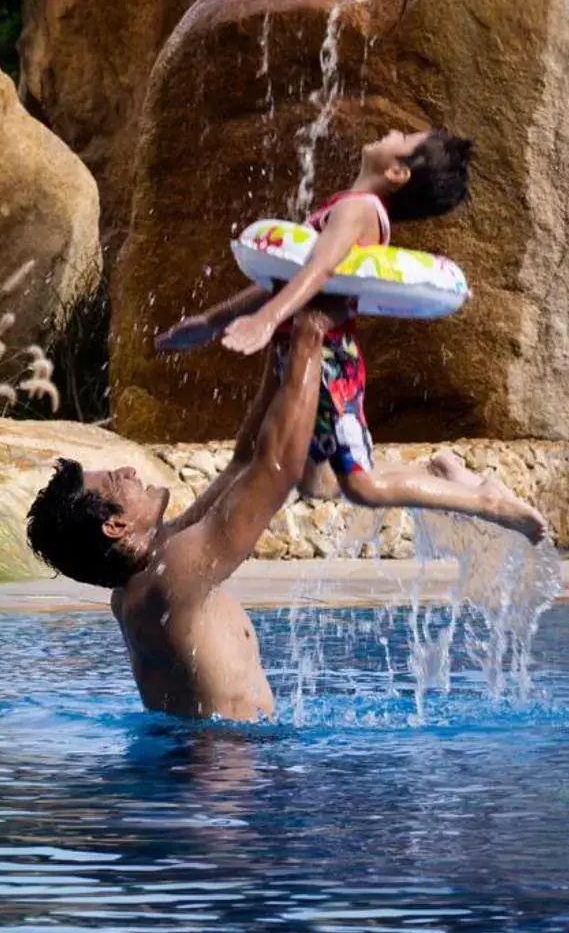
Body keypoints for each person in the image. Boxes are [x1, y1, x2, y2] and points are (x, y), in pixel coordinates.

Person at [155, 127, 545, 544]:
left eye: (404, 136)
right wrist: (210, 322)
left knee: (362, 485)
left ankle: (487, 500)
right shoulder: (347, 206)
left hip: (327, 361)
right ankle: (171, 537)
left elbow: (320, 268)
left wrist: (267, 319)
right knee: (287, 472)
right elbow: (284, 278)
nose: (392, 130)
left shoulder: (359, 209)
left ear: (397, 172)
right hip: (296, 350)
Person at [27, 306, 340, 721]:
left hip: (203, 767)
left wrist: (279, 347)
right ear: (116, 526)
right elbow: (277, 466)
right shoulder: (171, 576)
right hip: (227, 775)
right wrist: (310, 338)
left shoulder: (144, 581)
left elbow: (243, 463)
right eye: (116, 481)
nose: (129, 470)